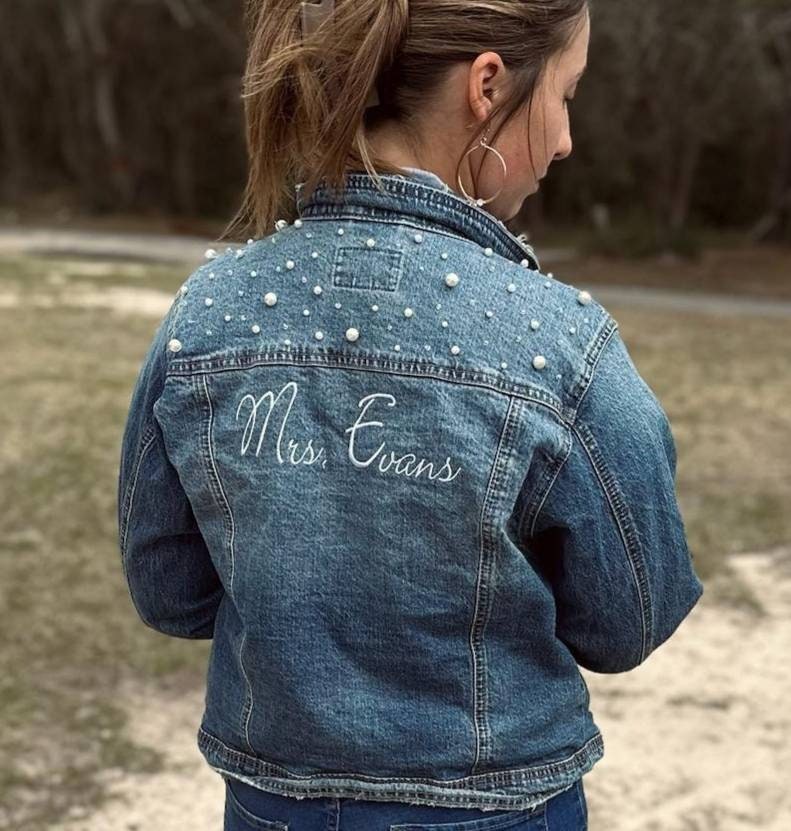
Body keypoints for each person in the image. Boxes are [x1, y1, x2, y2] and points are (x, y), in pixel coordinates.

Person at [117, 1, 705, 829]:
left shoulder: (207, 312)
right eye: (565, 95)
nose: (567, 139)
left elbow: (168, 591)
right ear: (488, 84)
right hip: (497, 806)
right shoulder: (561, 344)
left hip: (271, 803)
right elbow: (627, 620)